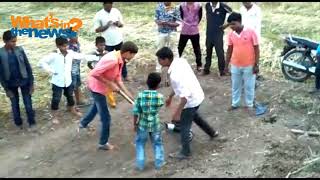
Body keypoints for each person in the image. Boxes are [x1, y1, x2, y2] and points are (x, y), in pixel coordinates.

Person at [156, 47, 218, 160]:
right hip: (197, 94)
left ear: (166, 60)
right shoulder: (181, 61)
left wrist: (178, 112)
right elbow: (180, 86)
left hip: (190, 100)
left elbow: (184, 98)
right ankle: (212, 133)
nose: (159, 61)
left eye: (159, 59)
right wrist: (170, 96)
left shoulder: (174, 75)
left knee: (184, 126)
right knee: (195, 116)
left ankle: (185, 152)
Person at [78, 41, 138, 151]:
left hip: (101, 87)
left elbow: (118, 79)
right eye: (133, 55)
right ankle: (103, 143)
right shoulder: (112, 60)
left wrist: (129, 96)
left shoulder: (120, 59)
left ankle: (83, 123)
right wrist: (110, 83)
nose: (133, 57)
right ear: (128, 52)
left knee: (96, 107)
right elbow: (94, 73)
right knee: (106, 118)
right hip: (97, 88)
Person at [38, 37, 86, 124]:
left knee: (70, 97)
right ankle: (55, 117)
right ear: (58, 46)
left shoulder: (70, 53)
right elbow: (41, 62)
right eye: (63, 46)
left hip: (68, 81)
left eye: (67, 46)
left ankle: (72, 110)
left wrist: (96, 56)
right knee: (56, 99)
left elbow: (81, 56)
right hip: (57, 82)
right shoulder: (54, 55)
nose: (66, 48)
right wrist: (51, 70)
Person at [0, 30, 36, 131]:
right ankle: (18, 123)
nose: (14, 43)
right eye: (12, 41)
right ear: (5, 41)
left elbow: (27, 66)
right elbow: (1, 74)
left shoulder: (19, 50)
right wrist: (6, 89)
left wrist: (31, 83)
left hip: (24, 81)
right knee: (15, 105)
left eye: (15, 41)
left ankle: (32, 122)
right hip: (10, 83)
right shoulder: (0, 53)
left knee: (28, 103)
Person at [224, 12, 260, 113]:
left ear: (240, 22)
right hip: (235, 64)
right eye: (230, 24)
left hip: (249, 64)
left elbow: (256, 48)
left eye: (233, 24)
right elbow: (229, 49)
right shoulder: (231, 34)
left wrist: (256, 64)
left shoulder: (250, 32)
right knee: (236, 85)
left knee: (249, 86)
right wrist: (226, 65)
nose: (231, 26)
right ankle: (235, 104)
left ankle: (249, 104)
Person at [132, 72, 165, 171]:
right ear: (158, 84)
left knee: (140, 144)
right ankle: (159, 164)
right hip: (155, 124)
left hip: (142, 124)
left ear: (147, 82)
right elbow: (159, 106)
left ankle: (140, 164)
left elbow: (136, 112)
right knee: (157, 143)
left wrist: (135, 124)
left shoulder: (140, 95)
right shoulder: (160, 97)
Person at [93, 2, 129, 81]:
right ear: (104, 5)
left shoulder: (116, 11)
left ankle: (125, 75)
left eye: (111, 5)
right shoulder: (99, 14)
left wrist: (118, 24)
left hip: (118, 40)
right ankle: (109, 78)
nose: (109, 7)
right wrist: (107, 25)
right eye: (107, 6)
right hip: (107, 43)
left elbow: (122, 24)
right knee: (108, 61)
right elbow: (96, 29)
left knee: (122, 59)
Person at [203, 2, 232, 76]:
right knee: (208, 51)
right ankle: (206, 69)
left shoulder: (223, 6)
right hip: (209, 33)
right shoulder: (207, 5)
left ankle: (222, 71)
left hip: (218, 34)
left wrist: (226, 24)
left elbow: (233, 15)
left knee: (220, 53)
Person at [155, 2, 180, 86]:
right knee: (159, 51)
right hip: (161, 32)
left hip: (172, 32)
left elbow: (178, 22)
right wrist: (160, 23)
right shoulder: (159, 7)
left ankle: (176, 69)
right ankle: (158, 70)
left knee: (174, 51)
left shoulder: (175, 8)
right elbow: (156, 19)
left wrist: (169, 23)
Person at [87, 36, 117, 108]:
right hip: (96, 75)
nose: (103, 47)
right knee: (97, 89)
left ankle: (112, 102)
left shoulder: (107, 53)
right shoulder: (92, 54)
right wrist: (94, 70)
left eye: (104, 45)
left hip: (105, 74)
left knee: (109, 87)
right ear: (96, 45)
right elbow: (89, 63)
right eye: (101, 45)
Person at [178, 2, 203, 72]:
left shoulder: (199, 5)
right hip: (184, 30)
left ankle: (199, 65)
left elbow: (200, 16)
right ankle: (175, 64)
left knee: (197, 48)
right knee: (180, 48)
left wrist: (194, 24)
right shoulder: (182, 5)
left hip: (194, 30)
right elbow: (181, 15)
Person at [68, 35, 85, 106]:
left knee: (77, 85)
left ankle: (78, 101)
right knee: (72, 87)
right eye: (74, 35)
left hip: (77, 68)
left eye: (76, 35)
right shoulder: (68, 47)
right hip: (71, 70)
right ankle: (70, 104)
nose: (76, 37)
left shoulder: (77, 43)